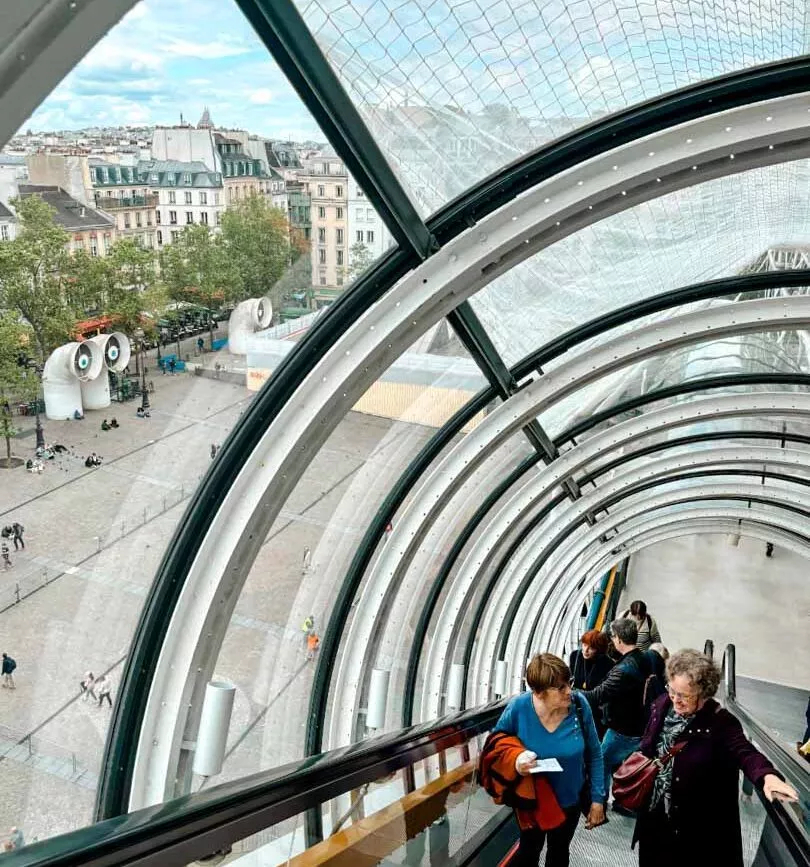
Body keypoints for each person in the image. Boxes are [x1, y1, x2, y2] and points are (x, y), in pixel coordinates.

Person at [633, 649, 798, 867]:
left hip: (694, 832)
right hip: (655, 819)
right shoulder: (663, 704)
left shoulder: (721, 724)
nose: (676, 700)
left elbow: (745, 752)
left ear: (704, 693)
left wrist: (767, 776)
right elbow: (648, 744)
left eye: (684, 695)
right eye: (672, 690)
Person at [488, 653, 606, 866]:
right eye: (560, 688)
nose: (569, 690)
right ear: (539, 692)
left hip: (570, 801)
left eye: (569, 683)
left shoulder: (579, 706)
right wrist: (517, 761)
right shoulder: (519, 708)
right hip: (531, 801)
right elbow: (497, 745)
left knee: (559, 852)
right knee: (528, 852)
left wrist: (598, 799)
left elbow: (595, 754)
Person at [582, 618, 650, 804]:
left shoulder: (623, 670)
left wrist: (568, 693)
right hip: (638, 724)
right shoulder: (643, 658)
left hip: (624, 730)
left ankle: (600, 801)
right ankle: (621, 799)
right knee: (618, 763)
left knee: (601, 762)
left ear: (618, 639)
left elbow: (597, 695)